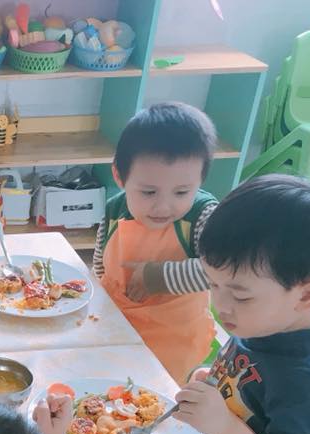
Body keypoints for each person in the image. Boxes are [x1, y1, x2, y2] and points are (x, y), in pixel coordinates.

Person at [175, 175, 310, 434]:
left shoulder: (304, 378)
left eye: (240, 296)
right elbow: (247, 384)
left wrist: (224, 425)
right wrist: (210, 379)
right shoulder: (261, 322)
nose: (221, 305)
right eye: (213, 285)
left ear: (308, 294)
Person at [93, 102, 219, 383]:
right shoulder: (115, 209)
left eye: (181, 192)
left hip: (175, 345)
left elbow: (224, 270)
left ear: (200, 180)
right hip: (117, 330)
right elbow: (100, 266)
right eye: (149, 192)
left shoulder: (203, 215)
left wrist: (158, 277)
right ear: (119, 176)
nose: (163, 206)